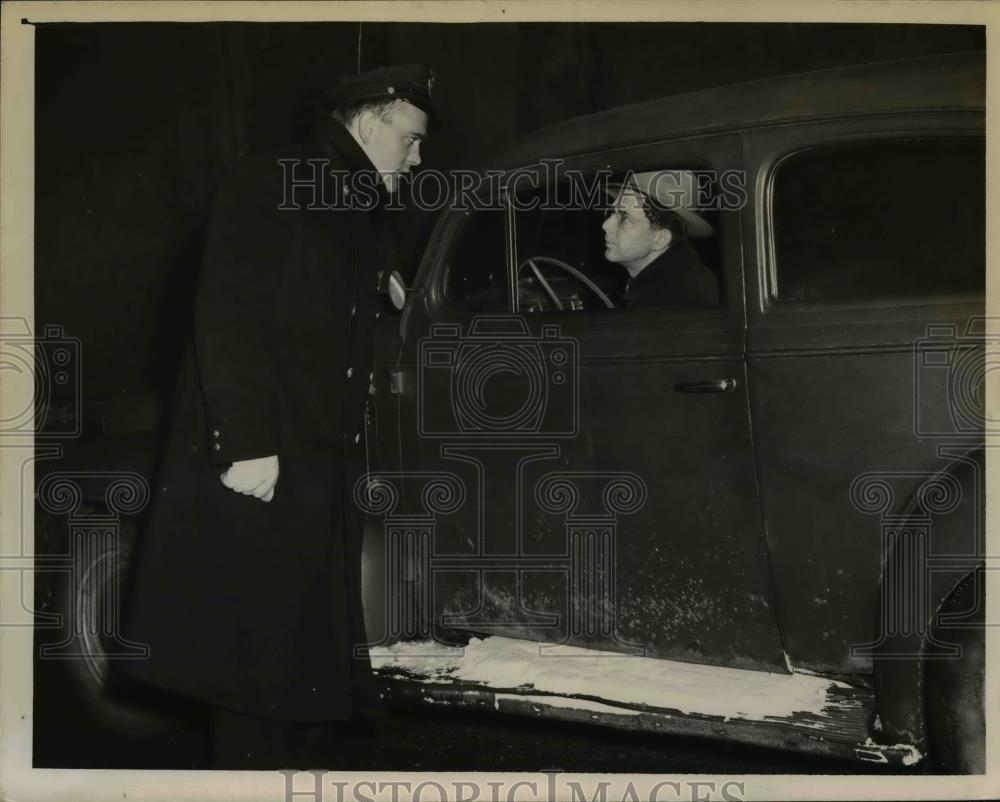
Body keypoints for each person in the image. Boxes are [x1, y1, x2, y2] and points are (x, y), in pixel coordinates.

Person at [120, 64, 434, 768]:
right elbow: (229, 316)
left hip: (317, 457)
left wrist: (383, 285)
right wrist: (248, 444)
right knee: (255, 663)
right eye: (410, 140)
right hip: (266, 455)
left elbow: (328, 302)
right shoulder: (275, 181)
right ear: (371, 119)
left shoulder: (355, 201)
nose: (419, 160)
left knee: (302, 650)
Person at [602, 170, 720, 308]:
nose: (605, 225)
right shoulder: (690, 273)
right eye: (612, 212)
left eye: (625, 219)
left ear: (660, 239)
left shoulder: (663, 303)